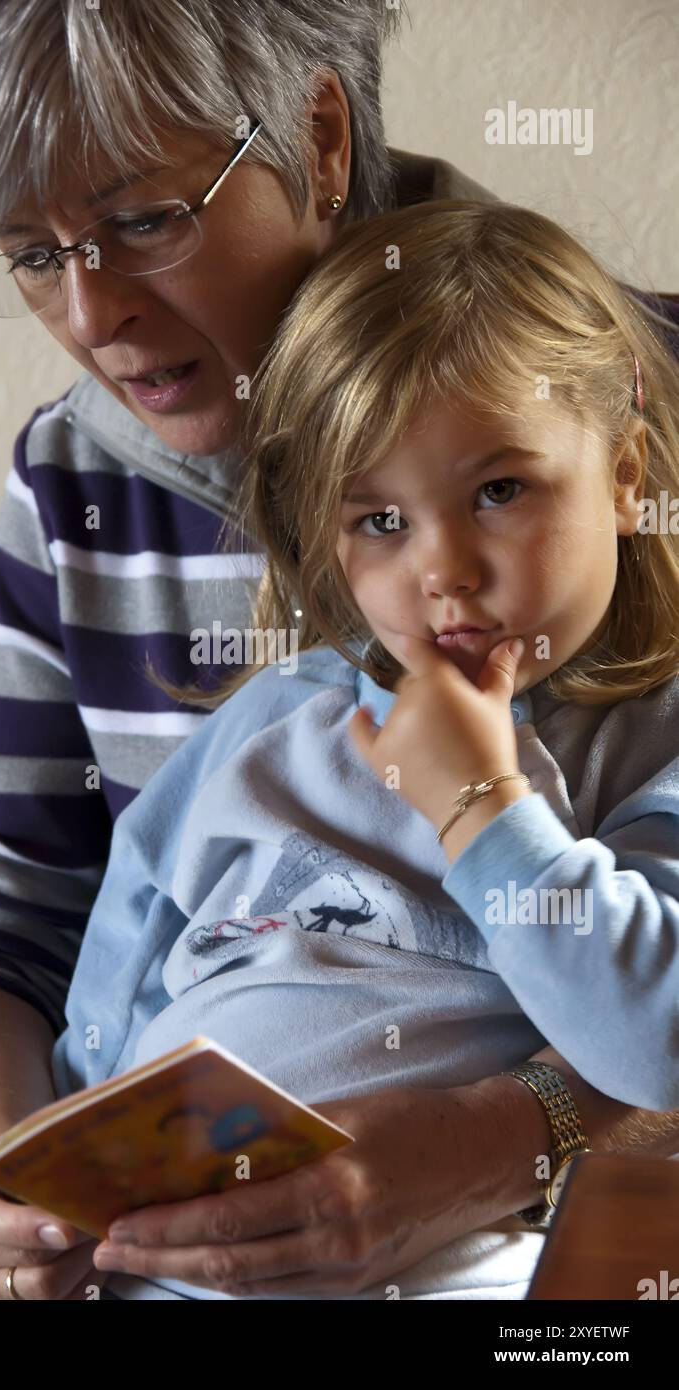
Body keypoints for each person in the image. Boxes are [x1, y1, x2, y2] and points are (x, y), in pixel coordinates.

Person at [0, 1, 679, 1301]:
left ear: (315, 134)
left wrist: (516, 1135)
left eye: (142, 219)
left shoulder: (621, 393)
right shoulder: (75, 480)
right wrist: (16, 1180)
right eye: (29, 253)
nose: (90, 315)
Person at [41, 198, 679, 1299]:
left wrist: (486, 809)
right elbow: (121, 966)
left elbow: (654, 1039)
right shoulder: (272, 721)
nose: (444, 571)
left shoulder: (648, 741)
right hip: (163, 1255)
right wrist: (43, 1194)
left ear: (625, 476)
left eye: (498, 490)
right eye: (378, 519)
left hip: (448, 1262)